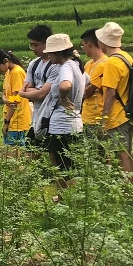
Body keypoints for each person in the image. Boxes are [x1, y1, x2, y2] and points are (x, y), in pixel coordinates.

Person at [39, 34, 85, 185]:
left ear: (57, 53)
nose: (48, 56)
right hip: (75, 122)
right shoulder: (76, 66)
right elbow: (89, 83)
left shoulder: (66, 67)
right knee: (71, 165)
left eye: (50, 53)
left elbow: (65, 85)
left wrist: (64, 99)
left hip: (62, 126)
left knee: (62, 166)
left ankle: (65, 199)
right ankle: (67, 198)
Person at [96, 22, 133, 180]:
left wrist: (104, 118)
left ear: (103, 42)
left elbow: (110, 93)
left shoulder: (111, 62)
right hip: (127, 110)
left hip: (117, 115)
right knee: (126, 152)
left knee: (123, 154)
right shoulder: (126, 57)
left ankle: (128, 191)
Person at [18, 25, 60, 147]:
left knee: (52, 155)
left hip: (50, 116)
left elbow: (43, 94)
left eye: (35, 45)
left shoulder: (56, 65)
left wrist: (33, 92)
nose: (33, 49)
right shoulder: (33, 64)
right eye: (31, 45)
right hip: (36, 116)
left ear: (46, 44)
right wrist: (37, 91)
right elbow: (27, 88)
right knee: (30, 153)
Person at [0, 49, 31, 155]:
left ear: (6, 60)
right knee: (11, 154)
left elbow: (15, 101)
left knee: (13, 156)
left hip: (17, 119)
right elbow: (5, 92)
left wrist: (6, 123)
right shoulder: (8, 72)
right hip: (10, 117)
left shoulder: (17, 73)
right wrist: (4, 99)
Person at [80, 28, 108, 130]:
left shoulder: (103, 64)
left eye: (83, 45)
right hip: (86, 116)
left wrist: (84, 87)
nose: (83, 48)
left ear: (89, 44)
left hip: (96, 118)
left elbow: (87, 92)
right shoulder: (88, 64)